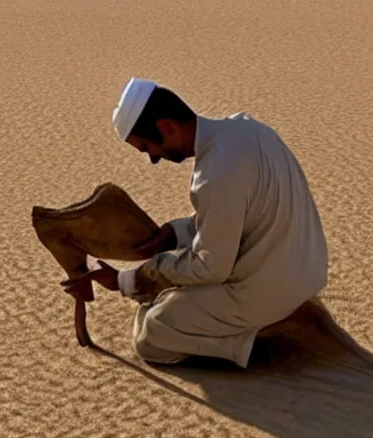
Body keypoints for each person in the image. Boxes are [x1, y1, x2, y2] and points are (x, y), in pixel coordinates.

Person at [62, 77, 329, 369]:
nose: (154, 159)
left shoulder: (215, 173)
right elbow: (237, 212)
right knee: (170, 295)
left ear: (166, 127)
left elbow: (211, 267)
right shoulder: (249, 129)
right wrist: (174, 234)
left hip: (267, 292)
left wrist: (130, 279)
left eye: (147, 147)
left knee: (153, 332)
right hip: (308, 270)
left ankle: (252, 343)